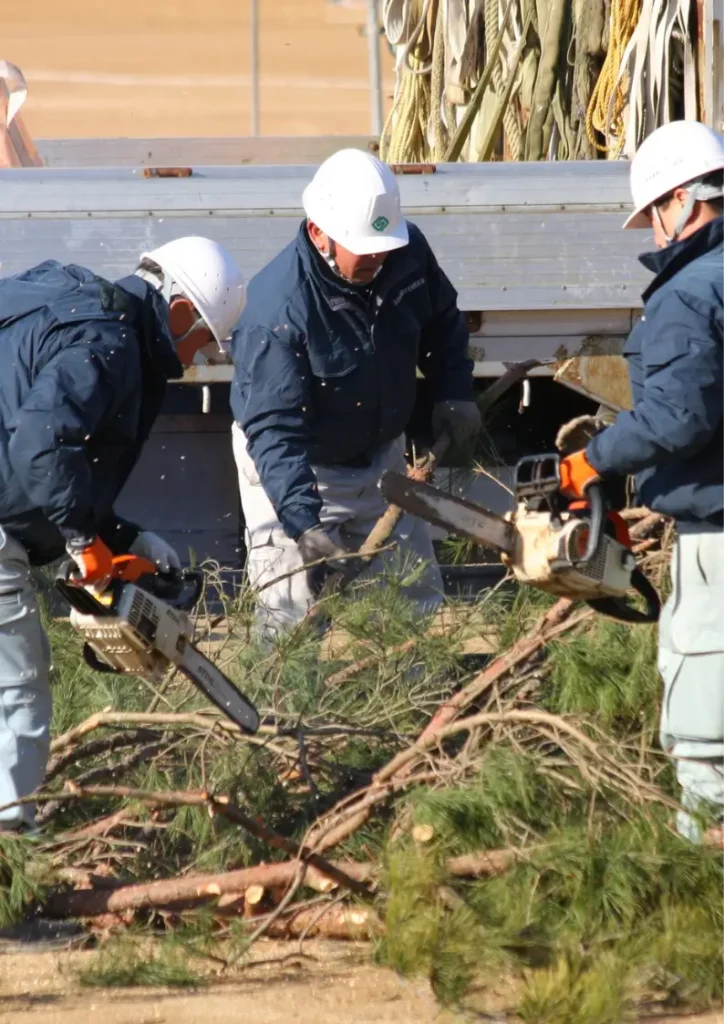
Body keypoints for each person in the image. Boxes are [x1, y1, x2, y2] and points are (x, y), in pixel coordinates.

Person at [0, 236, 245, 830]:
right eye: (204, 343)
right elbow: (39, 445)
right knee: (19, 695)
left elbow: (47, 445)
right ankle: (11, 857)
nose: (197, 359)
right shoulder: (108, 343)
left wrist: (119, 537)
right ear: (182, 312)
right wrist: (84, 542)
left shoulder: (68, 292)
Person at [231, 148, 480, 638]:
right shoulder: (278, 310)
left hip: (381, 460)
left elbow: (443, 323)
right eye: (362, 247)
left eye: (382, 244)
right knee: (289, 628)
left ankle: (419, 708)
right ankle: (285, 714)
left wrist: (454, 392)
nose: (376, 256)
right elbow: (275, 434)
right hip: (297, 473)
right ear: (318, 231)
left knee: (413, 607)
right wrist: (304, 524)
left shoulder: (403, 252)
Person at [556, 120, 723, 843]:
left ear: (681, 202)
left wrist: (597, 460)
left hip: (718, 540)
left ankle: (700, 878)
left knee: (704, 726)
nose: (655, 232)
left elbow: (680, 417)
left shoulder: (689, 294)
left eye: (655, 212)